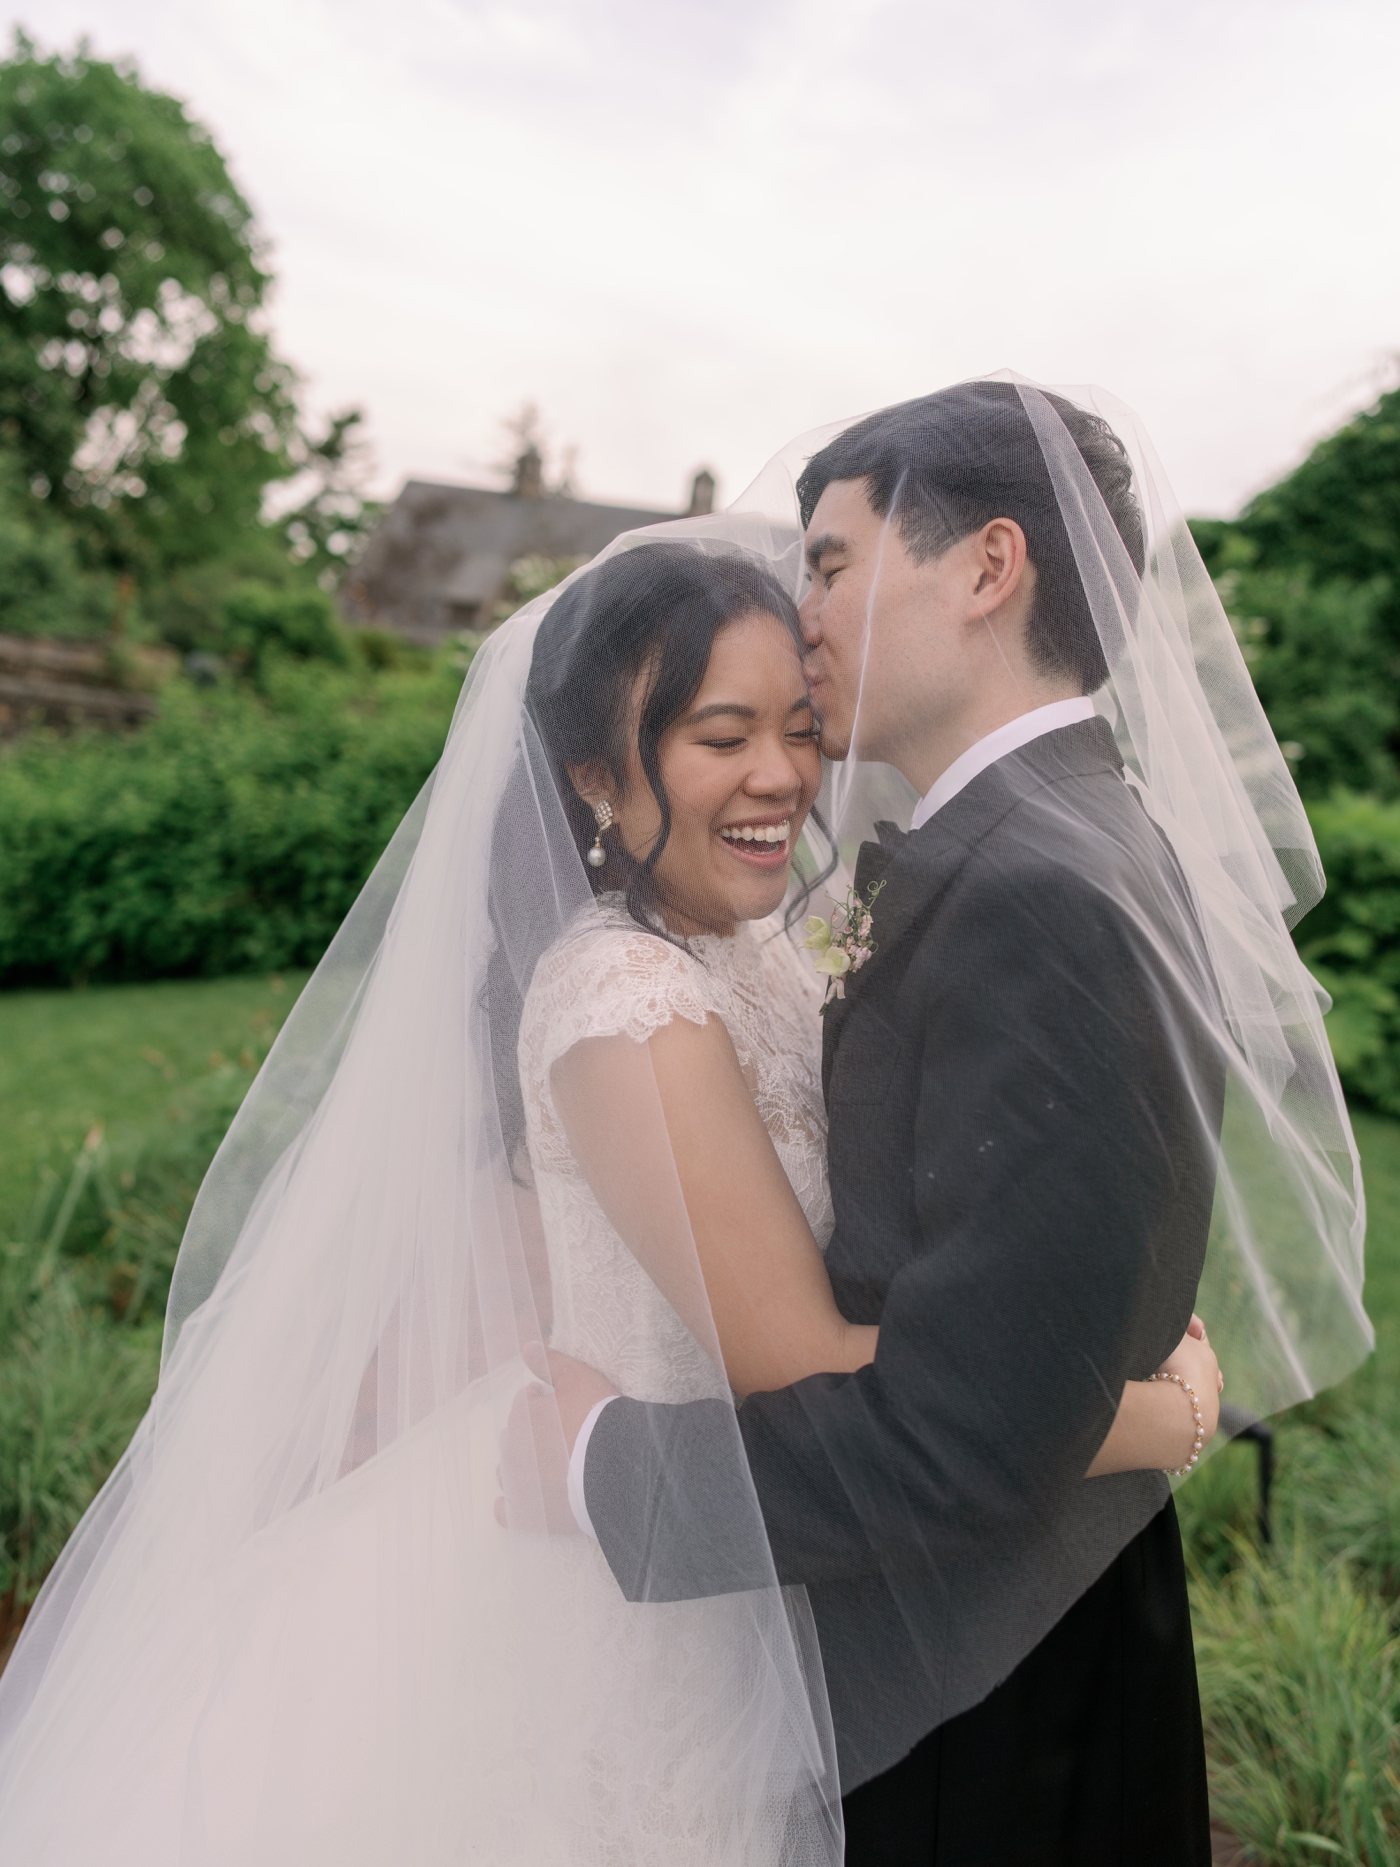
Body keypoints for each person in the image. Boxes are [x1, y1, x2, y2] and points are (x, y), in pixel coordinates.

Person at [0, 533, 1217, 1867]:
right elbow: (796, 1361)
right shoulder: (624, 1005)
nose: (779, 776)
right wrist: (1164, 1414)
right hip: (627, 1593)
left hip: (751, 1547)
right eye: (719, 735)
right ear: (595, 776)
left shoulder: (754, 941)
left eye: (802, 729)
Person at [535, 381, 1372, 1866]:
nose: (807, 611)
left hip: (990, 1683)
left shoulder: (1036, 888)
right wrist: (1151, 1415)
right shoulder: (1047, 842)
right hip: (995, 1634)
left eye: (834, 562)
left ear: (986, 569)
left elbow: (965, 1438)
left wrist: (609, 1473)